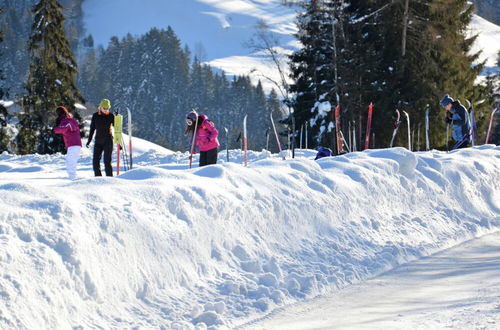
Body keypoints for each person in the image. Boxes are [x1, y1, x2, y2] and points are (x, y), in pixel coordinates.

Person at [86, 99, 115, 176]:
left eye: (107, 108)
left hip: (108, 141)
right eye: (104, 108)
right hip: (98, 141)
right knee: (95, 161)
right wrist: (89, 140)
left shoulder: (111, 116)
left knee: (107, 162)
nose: (106, 110)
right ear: (100, 107)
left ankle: (110, 179)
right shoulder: (95, 116)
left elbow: (118, 128)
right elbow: (92, 129)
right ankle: (98, 179)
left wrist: (118, 118)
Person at [53, 106, 82, 180]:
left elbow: (64, 128)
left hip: (73, 143)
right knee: (71, 161)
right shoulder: (70, 119)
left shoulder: (66, 120)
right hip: (74, 143)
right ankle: (73, 177)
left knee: (70, 161)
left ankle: (72, 178)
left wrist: (54, 130)